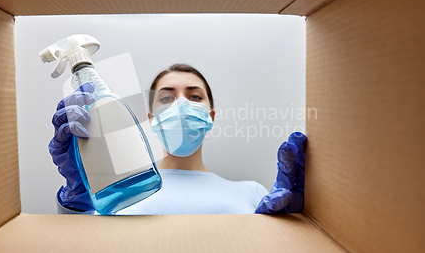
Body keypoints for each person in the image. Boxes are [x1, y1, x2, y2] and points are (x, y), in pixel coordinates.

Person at [49, 63, 306, 215]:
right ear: (151, 119)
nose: (181, 104)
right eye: (167, 98)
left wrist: (296, 228)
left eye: (194, 97)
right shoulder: (118, 194)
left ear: (211, 116)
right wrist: (76, 204)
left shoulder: (252, 192)